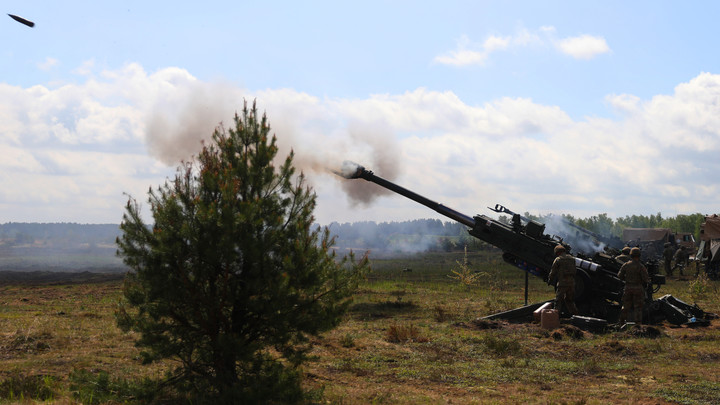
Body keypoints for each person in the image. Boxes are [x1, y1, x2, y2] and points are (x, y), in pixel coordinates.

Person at [618, 247, 650, 324]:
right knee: (638, 307)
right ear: (639, 255)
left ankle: (621, 322)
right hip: (638, 288)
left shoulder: (626, 265)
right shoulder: (641, 266)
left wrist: (626, 279)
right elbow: (646, 279)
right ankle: (638, 325)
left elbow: (619, 276)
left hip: (628, 287)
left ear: (630, 255)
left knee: (625, 306)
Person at [548, 244, 578, 316]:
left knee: (558, 301)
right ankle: (575, 316)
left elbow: (553, 272)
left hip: (562, 283)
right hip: (572, 283)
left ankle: (555, 317)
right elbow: (575, 271)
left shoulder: (558, 260)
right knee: (569, 300)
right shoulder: (572, 258)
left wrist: (550, 280)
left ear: (558, 252)